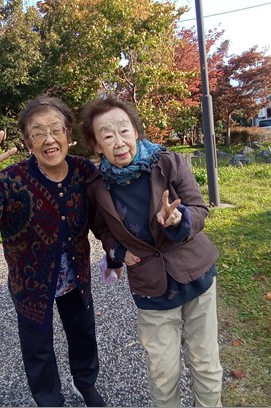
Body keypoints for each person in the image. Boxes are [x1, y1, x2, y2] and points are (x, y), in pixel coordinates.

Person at [0, 95, 106, 407]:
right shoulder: (11, 181)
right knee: (38, 348)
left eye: (56, 129)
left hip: (76, 278)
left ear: (68, 134)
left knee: (83, 333)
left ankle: (85, 383)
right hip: (31, 285)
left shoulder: (83, 171)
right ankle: (49, 399)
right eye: (38, 132)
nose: (49, 139)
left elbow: (105, 211)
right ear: (28, 142)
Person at [80, 95, 223, 407]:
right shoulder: (96, 186)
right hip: (150, 286)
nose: (119, 141)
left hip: (195, 275)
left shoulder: (169, 163)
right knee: (162, 373)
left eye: (124, 131)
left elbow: (199, 208)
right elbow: (101, 229)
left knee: (205, 363)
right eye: (107, 135)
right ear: (96, 145)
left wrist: (179, 219)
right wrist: (117, 252)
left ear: (135, 131)